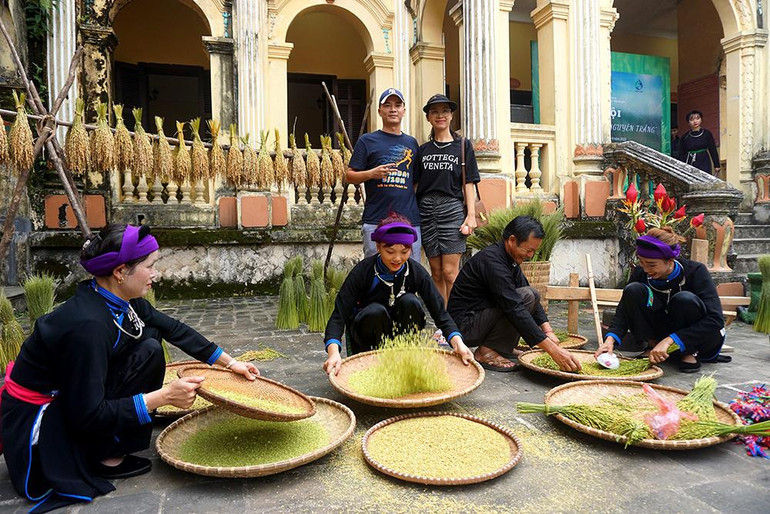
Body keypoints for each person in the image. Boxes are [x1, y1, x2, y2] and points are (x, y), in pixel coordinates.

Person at [0, 224, 259, 512]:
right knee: (145, 350)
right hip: (47, 414)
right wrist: (162, 397)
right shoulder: (89, 326)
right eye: (150, 266)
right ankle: (100, 456)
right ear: (121, 272)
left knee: (149, 344)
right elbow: (86, 413)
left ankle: (112, 448)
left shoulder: (119, 300)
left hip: (75, 394)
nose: (156, 273)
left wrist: (231, 363)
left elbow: (174, 329)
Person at [323, 214, 473, 376]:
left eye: (404, 251)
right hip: (367, 335)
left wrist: (459, 343)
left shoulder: (416, 272)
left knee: (411, 302)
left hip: (399, 336)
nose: (397, 258)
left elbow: (440, 314)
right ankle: (371, 364)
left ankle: (405, 356)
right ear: (378, 246)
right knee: (375, 311)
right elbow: (338, 316)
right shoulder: (363, 271)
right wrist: (334, 353)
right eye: (390, 251)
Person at [447, 216, 581, 373]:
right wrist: (553, 351)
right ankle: (486, 352)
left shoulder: (509, 259)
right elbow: (514, 307)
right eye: (528, 250)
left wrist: (548, 331)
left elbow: (529, 295)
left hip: (480, 317)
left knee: (531, 295)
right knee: (524, 298)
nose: (530, 255)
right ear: (512, 240)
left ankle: (501, 347)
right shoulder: (493, 261)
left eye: (534, 251)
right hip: (464, 327)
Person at [595, 227, 730, 373]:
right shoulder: (642, 273)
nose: (646, 269)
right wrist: (610, 341)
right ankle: (653, 345)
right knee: (633, 290)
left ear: (670, 260)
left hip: (694, 338)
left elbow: (715, 320)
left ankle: (689, 352)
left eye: (652, 264)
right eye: (641, 262)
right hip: (662, 330)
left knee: (684, 299)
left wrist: (670, 340)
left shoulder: (696, 271)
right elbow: (623, 312)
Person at [415, 94, 480, 304]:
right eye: (434, 111)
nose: (440, 115)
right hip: (425, 211)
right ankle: (442, 323)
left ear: (451, 115)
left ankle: (455, 321)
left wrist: (470, 216)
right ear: (428, 117)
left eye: (445, 111)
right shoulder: (422, 150)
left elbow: (468, 182)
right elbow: (415, 185)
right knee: (435, 272)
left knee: (451, 272)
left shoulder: (462, 146)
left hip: (451, 209)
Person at [346, 88, 422, 258]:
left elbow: (415, 181)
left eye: (397, 105)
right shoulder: (367, 141)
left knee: (412, 274)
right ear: (380, 111)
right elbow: (349, 176)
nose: (393, 109)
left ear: (404, 110)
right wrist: (371, 174)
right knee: (375, 272)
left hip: (409, 220)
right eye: (387, 105)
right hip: (376, 220)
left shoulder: (412, 143)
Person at [678, 110, 720, 176]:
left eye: (697, 118)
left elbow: (713, 149)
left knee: (705, 179)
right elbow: (681, 153)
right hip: (690, 161)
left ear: (701, 120)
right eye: (692, 119)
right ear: (688, 122)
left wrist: (716, 165)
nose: (695, 121)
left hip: (704, 160)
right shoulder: (685, 136)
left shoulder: (707, 134)